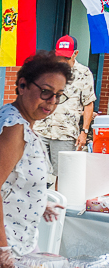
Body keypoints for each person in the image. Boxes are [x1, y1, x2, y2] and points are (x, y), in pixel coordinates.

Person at [0, 52, 72, 268]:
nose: (51, 101)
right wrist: (2, 251)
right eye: (45, 91)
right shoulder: (13, 128)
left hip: (19, 241)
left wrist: (39, 202)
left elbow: (12, 180)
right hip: (5, 244)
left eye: (58, 96)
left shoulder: (20, 121)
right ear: (22, 85)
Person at [34, 36, 96, 185]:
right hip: (40, 129)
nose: (62, 60)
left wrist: (84, 132)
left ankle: (57, 206)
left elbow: (88, 104)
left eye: (66, 57)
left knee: (62, 176)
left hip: (65, 133)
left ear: (75, 53)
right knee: (35, 172)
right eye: (59, 56)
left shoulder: (84, 73)